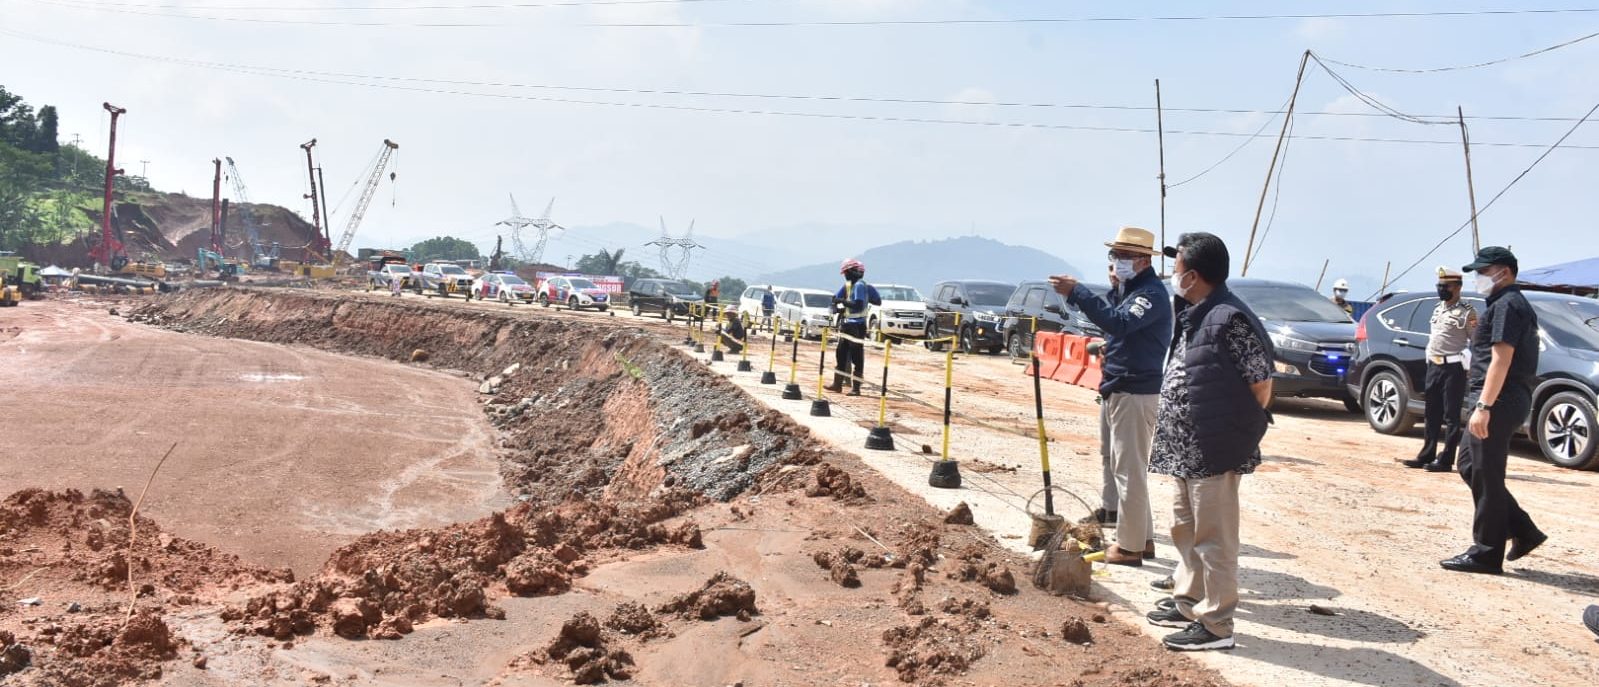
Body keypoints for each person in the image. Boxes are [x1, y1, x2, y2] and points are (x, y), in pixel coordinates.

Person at [1143, 232, 1274, 652]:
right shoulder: (1195, 311)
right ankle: (1188, 599)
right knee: (1184, 528)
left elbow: (1262, 384)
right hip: (1185, 449)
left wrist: (1232, 432)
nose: (1173, 274)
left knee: (1214, 538)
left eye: (1177, 267)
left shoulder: (1228, 318)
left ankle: (1217, 624)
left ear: (1194, 274)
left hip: (1214, 449)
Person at [1050, 226, 1172, 567]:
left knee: (1128, 470)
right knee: (1128, 466)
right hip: (1122, 385)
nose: (1117, 262)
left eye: (1124, 256)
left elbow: (1118, 324)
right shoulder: (1131, 290)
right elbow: (1117, 326)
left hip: (1135, 389)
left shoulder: (1149, 294)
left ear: (1144, 260)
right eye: (1115, 255)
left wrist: (1079, 293)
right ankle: (1142, 539)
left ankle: (1130, 547)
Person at [1441, 246, 1546, 575]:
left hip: (1498, 398)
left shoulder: (1507, 305)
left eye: (1484, 272)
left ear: (1505, 272)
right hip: (1496, 397)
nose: (1479, 278)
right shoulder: (1503, 303)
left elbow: (1502, 358)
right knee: (1471, 465)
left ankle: (1486, 552)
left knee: (1486, 471)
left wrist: (1484, 406)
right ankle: (1522, 529)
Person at [1403, 267, 1478, 472]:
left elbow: (1476, 341)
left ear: (1458, 287)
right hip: (1434, 365)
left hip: (1454, 367)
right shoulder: (1438, 308)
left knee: (1451, 415)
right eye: (1439, 285)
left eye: (1446, 286)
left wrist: (1471, 365)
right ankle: (1426, 454)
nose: (1441, 289)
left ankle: (1445, 460)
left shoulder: (1467, 312)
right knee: (1431, 412)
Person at [825, 259, 880, 396]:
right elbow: (835, 299)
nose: (845, 276)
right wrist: (837, 307)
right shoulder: (849, 286)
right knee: (841, 354)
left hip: (858, 326)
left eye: (846, 273)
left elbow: (859, 304)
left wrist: (843, 302)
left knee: (856, 356)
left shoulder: (861, 286)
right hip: (847, 324)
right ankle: (837, 384)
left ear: (853, 272)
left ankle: (856, 388)